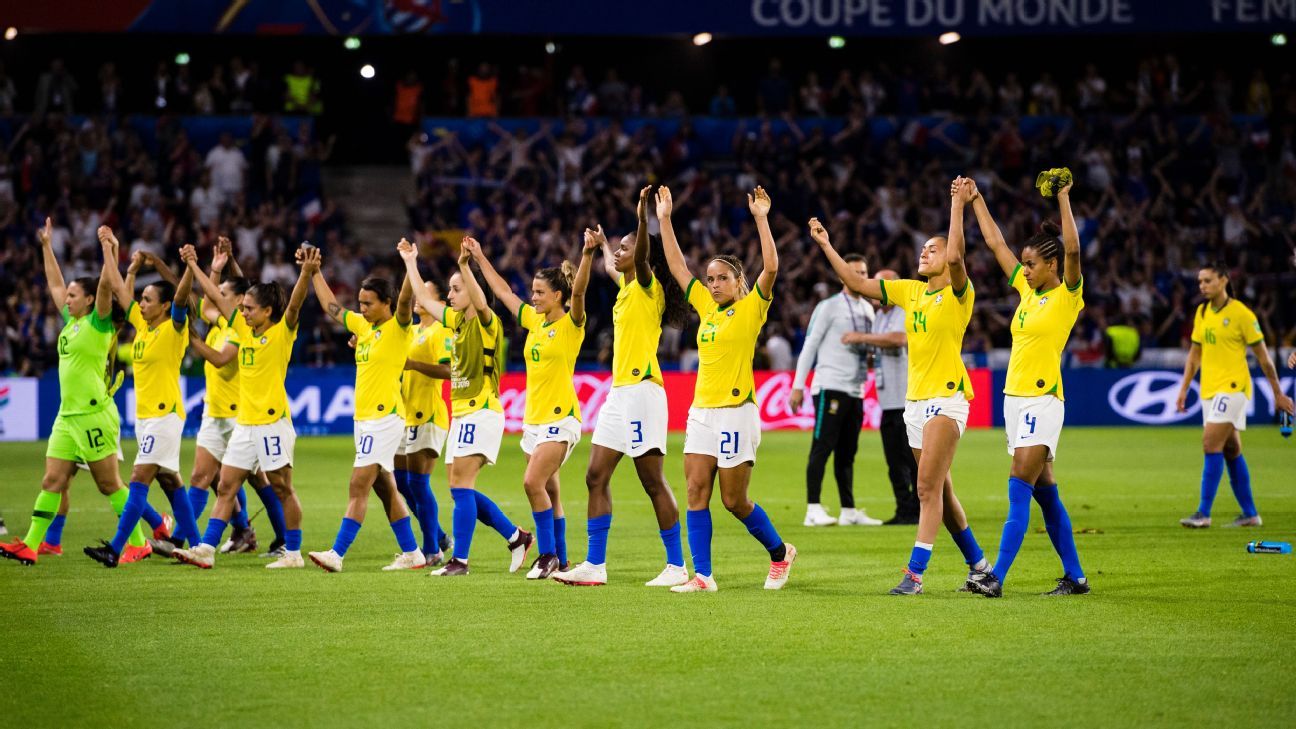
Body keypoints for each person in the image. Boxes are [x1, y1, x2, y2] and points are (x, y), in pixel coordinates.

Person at [809, 178, 991, 596]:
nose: (923, 253)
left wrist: (957, 205)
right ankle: (980, 567)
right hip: (914, 405)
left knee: (925, 488)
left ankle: (914, 575)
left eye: (933, 249)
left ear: (948, 259)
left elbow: (959, 255)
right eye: (922, 248)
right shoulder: (910, 292)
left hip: (947, 399)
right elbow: (858, 285)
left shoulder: (960, 293)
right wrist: (825, 245)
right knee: (940, 491)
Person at [657, 185, 797, 593]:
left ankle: (779, 553)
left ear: (739, 282)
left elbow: (771, 268)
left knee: (734, 501)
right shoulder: (704, 306)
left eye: (722, 279)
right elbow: (678, 266)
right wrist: (665, 219)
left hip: (737, 412)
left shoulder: (753, 306)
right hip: (702, 411)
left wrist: (761, 218)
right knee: (696, 490)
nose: (714, 284)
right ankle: (703, 576)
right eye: (711, 279)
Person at [553, 187, 689, 588]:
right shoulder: (627, 286)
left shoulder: (650, 287)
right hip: (619, 393)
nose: (620, 252)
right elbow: (618, 267)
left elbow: (642, 256)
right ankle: (595, 565)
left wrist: (643, 219)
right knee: (595, 476)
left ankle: (677, 566)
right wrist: (599, 247)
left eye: (626, 247)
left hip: (644, 391)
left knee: (652, 481)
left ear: (642, 255)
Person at [964, 177, 1091, 598]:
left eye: (1032, 264)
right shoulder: (1026, 289)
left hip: (1043, 398)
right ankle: (1076, 577)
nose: (1024, 269)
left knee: (1019, 481)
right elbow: (996, 243)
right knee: (1045, 494)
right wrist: (977, 200)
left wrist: (1063, 198)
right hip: (1014, 400)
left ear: (1052, 265)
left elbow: (1072, 247)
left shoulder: (1067, 295)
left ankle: (995, 575)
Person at [1, 220, 154, 566]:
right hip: (67, 417)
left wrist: (109, 248)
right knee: (52, 480)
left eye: (73, 295)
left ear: (88, 300)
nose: (66, 299)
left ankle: (140, 541)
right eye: (67, 296)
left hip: (92, 414)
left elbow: (105, 284)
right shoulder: (71, 323)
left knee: (108, 485)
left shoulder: (98, 323)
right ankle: (30, 544)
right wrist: (45, 246)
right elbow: (54, 282)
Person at [172, 243, 313, 569]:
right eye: (243, 307)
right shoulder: (240, 330)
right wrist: (194, 266)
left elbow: (294, 304)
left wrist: (305, 272)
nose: (243, 312)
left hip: (273, 423)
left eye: (250, 308)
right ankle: (206, 548)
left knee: (282, 488)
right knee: (225, 486)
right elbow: (217, 297)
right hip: (245, 424)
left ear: (267, 311)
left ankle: (293, 553)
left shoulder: (282, 333)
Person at [399, 238, 533, 577]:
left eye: (456, 290)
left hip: (482, 410)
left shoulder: (487, 323)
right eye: (450, 290)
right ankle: (516, 537)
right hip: (461, 414)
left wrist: (465, 267)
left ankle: (460, 560)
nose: (450, 295)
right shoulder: (455, 324)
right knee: (460, 488)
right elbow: (426, 301)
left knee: (461, 487)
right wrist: (411, 262)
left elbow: (480, 299)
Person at [465, 232, 593, 580]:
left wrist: (587, 254)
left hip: (561, 418)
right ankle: (563, 560)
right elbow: (504, 292)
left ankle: (547, 555)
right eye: (532, 291)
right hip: (533, 422)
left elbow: (579, 291)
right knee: (550, 489)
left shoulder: (571, 325)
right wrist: (479, 257)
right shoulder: (533, 321)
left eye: (539, 292)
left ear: (557, 296)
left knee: (531, 482)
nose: (532, 297)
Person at [301, 247, 426, 572]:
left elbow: (404, 302)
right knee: (385, 487)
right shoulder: (363, 327)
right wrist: (315, 273)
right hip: (365, 419)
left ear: (386, 302)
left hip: (384, 418)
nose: (363, 308)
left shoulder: (399, 327)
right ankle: (412, 552)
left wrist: (409, 264)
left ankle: (337, 554)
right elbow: (332, 308)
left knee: (359, 484)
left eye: (369, 303)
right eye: (361, 303)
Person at [84, 232, 203, 568]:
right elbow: (122, 291)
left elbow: (181, 299)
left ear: (164, 306)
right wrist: (116, 255)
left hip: (165, 415)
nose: (143, 303)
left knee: (138, 479)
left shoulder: (173, 328)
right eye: (143, 299)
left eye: (149, 299)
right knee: (171, 482)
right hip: (147, 417)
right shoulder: (144, 326)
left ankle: (115, 548)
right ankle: (197, 547)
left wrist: (190, 268)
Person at [1175, 263, 1294, 528]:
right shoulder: (1202, 311)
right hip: (1209, 390)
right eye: (1199, 282)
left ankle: (1203, 513)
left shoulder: (1241, 314)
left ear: (1224, 280)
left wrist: (1278, 393)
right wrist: (1183, 389)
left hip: (1233, 387)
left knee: (1209, 444)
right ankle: (1250, 514)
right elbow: (1195, 355)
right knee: (1231, 450)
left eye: (1207, 280)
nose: (1202, 286)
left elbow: (1264, 359)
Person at [791, 253, 880, 528]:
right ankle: (813, 509)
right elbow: (810, 345)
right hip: (830, 386)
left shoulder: (868, 309)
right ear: (843, 275)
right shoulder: (828, 307)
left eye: (865, 273)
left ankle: (848, 510)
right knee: (822, 447)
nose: (861, 277)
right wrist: (797, 386)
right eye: (855, 272)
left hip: (856, 390)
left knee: (847, 452)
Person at [842, 269, 919, 525]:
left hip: (907, 399)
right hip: (888, 401)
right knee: (894, 461)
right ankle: (904, 510)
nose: (876, 287)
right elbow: (882, 345)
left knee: (913, 460)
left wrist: (861, 337)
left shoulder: (903, 311)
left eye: (882, 283)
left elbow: (899, 339)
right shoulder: (879, 317)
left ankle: (921, 509)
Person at [394, 279, 454, 567]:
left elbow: (449, 370)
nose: (418, 296)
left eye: (426, 292)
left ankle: (431, 549)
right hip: (404, 415)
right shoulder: (412, 331)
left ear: (439, 302)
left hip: (427, 414)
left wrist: (414, 364)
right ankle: (439, 536)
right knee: (399, 482)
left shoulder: (441, 331)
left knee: (417, 484)